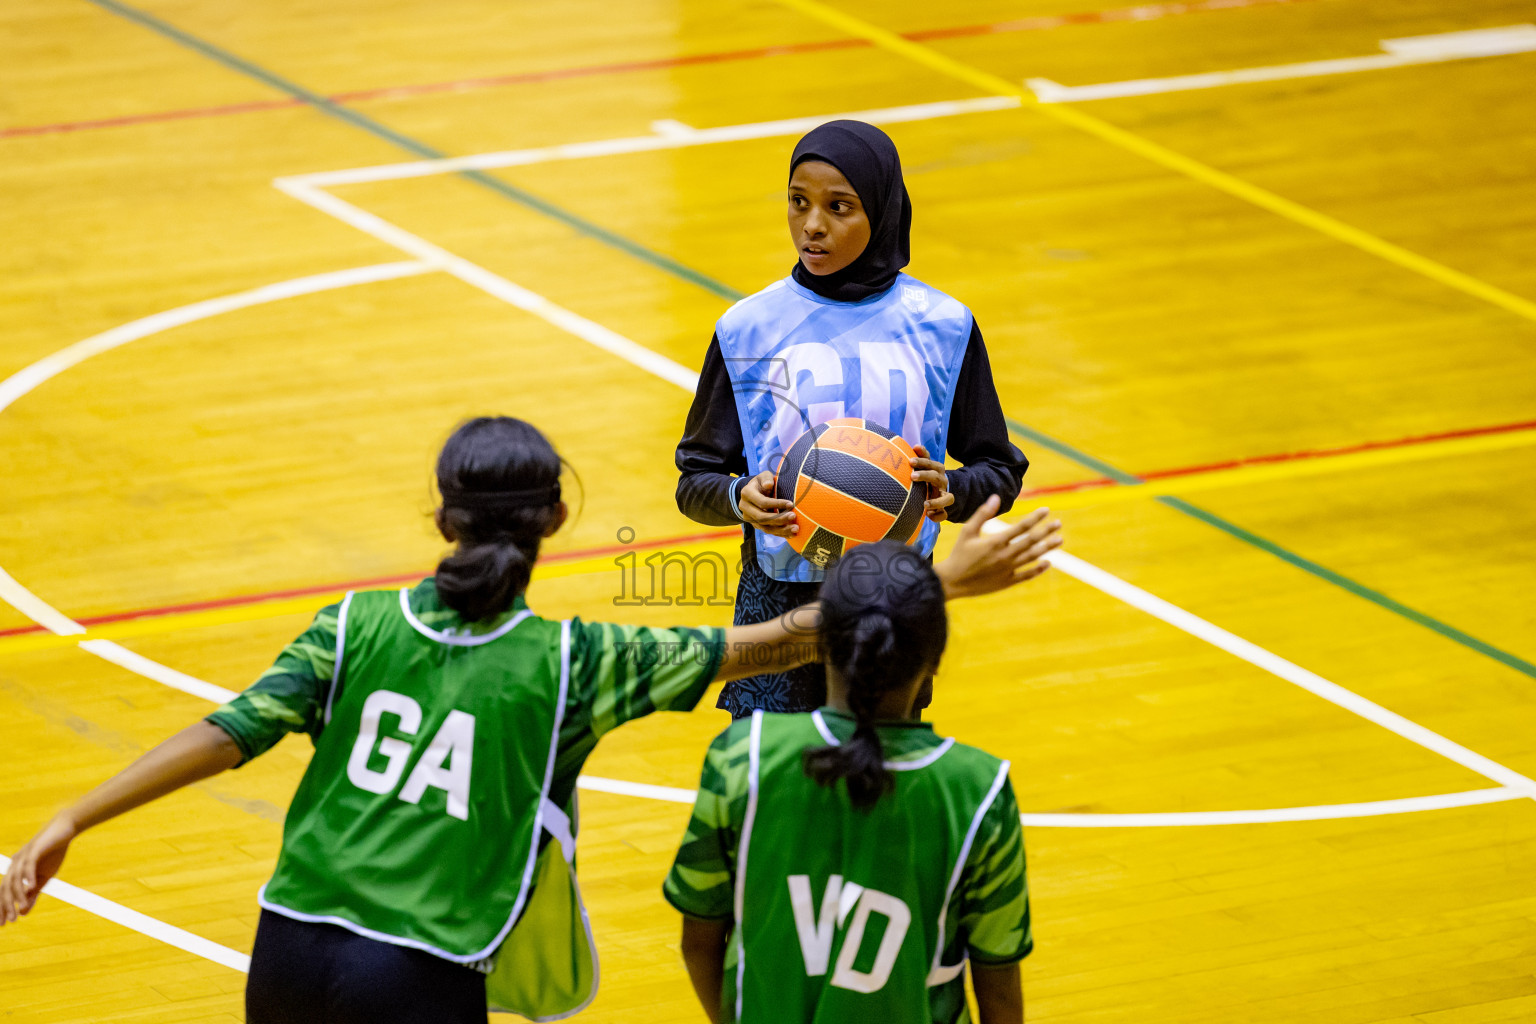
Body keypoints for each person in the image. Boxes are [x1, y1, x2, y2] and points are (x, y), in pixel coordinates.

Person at [1, 415, 1060, 1024]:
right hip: (412, 976)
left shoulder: (354, 623)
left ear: (441, 513)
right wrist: (939, 582)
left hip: (284, 950)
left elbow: (226, 733)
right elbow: (775, 644)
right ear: (558, 519)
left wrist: (70, 819)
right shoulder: (574, 661)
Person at [675, 119, 1029, 719]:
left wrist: (953, 490)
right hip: (779, 595)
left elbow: (1000, 470)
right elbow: (694, 482)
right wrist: (739, 498)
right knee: (774, 785)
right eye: (798, 202)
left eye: (839, 207)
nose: (812, 225)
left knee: (876, 785)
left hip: (891, 601)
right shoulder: (748, 328)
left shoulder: (944, 325)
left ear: (884, 212)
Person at [664, 539, 1044, 1024]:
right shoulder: (979, 789)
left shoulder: (744, 755)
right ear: (935, 658)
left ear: (821, 643)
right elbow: (999, 989)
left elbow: (698, 941)